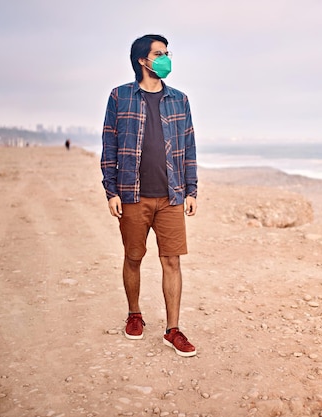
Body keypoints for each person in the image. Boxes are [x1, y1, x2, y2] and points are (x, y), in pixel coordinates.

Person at [100, 34, 198, 357]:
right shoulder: (120, 97)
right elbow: (110, 146)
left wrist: (191, 189)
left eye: (167, 53)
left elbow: (189, 147)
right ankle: (134, 314)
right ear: (143, 60)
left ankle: (173, 329)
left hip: (171, 196)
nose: (166, 58)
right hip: (132, 195)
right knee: (133, 257)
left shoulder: (180, 100)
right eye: (159, 53)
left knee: (172, 260)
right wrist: (110, 190)